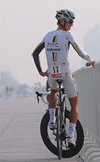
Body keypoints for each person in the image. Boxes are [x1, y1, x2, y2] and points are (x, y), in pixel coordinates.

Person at [31, 9, 96, 148]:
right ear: (62, 21)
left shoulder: (47, 35)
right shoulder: (67, 35)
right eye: (70, 22)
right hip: (65, 73)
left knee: (53, 92)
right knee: (74, 104)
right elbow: (79, 50)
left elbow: (34, 53)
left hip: (51, 74)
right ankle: (71, 136)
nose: (72, 25)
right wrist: (90, 60)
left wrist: (41, 71)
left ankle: (52, 120)